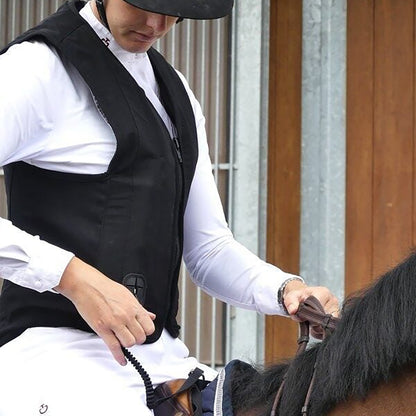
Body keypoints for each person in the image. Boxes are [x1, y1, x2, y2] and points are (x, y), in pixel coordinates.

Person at [0, 0, 339, 414]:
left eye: (174, 10)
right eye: (144, 3)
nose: (156, 24)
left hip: (162, 358)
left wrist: (286, 290)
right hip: (53, 358)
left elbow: (209, 249)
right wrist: (69, 276)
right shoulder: (35, 69)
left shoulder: (175, 90)